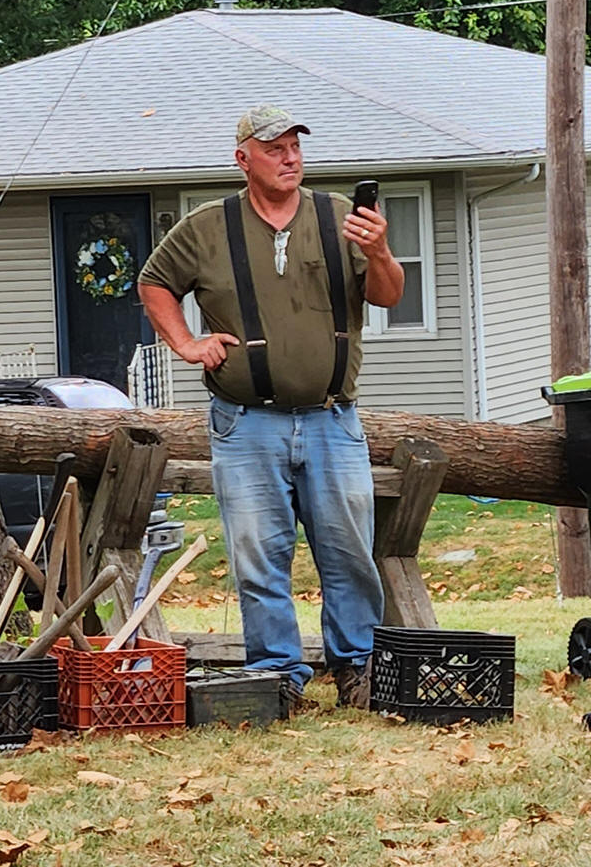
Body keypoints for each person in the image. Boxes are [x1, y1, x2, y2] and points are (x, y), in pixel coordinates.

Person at [137, 105, 405, 708]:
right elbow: (154, 283)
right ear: (243, 159)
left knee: (349, 555)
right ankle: (277, 678)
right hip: (245, 422)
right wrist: (186, 343)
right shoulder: (207, 227)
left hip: (333, 419)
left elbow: (387, 294)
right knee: (259, 557)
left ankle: (358, 670)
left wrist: (381, 252)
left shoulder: (340, 216)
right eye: (274, 149)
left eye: (294, 147)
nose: (289, 158)